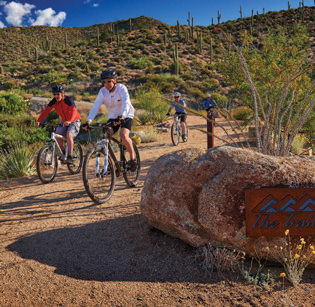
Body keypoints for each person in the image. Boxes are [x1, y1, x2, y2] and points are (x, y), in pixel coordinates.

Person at [84, 68, 137, 171]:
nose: (106, 84)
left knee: (123, 135)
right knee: (106, 136)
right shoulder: (102, 92)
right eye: (104, 82)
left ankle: (133, 159)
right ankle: (111, 163)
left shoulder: (121, 88)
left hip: (126, 114)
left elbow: (126, 103)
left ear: (115, 80)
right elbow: (96, 106)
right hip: (113, 117)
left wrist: (122, 117)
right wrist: (89, 121)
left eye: (109, 81)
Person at [36, 84, 81, 163]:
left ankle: (70, 156)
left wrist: (70, 121)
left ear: (62, 94)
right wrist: (39, 121)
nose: (56, 96)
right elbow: (45, 111)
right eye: (54, 94)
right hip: (64, 121)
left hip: (74, 120)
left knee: (69, 135)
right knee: (57, 135)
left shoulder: (68, 100)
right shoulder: (54, 102)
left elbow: (74, 111)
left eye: (58, 94)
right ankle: (63, 153)